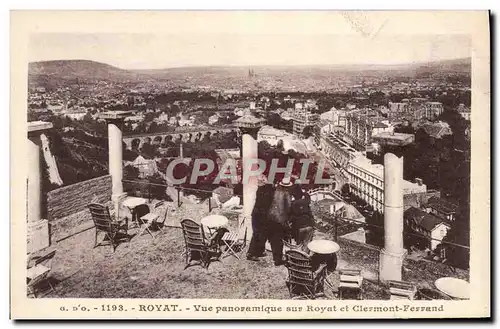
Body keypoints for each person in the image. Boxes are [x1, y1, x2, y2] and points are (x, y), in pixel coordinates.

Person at [246, 175, 275, 261]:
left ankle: (259, 252)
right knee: (257, 234)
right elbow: (270, 189)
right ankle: (250, 254)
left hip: (261, 215)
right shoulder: (262, 190)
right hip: (258, 216)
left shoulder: (264, 190)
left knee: (263, 234)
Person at [267, 178, 293, 266]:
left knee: (273, 239)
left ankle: (276, 257)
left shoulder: (275, 191)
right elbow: (289, 208)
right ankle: (278, 260)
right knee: (279, 240)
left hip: (270, 218)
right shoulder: (287, 194)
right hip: (280, 220)